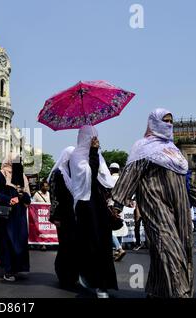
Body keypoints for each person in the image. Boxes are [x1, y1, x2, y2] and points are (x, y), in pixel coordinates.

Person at [112, 108, 193, 298]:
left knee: (179, 245)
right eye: (165, 121)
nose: (169, 125)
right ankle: (180, 292)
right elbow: (130, 174)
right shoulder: (143, 146)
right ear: (154, 122)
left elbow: (183, 180)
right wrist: (117, 204)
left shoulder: (173, 150)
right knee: (168, 245)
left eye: (171, 121)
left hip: (179, 205)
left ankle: (158, 289)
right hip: (154, 202)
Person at [69, 125, 118, 298]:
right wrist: (93, 153)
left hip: (99, 205)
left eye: (96, 136)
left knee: (104, 244)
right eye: (92, 136)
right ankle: (92, 281)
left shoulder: (99, 155)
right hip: (85, 205)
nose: (95, 139)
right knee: (91, 244)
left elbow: (106, 180)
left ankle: (103, 284)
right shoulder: (76, 156)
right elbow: (89, 174)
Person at [0, 156, 31, 282]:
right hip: (7, 215)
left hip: (20, 215)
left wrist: (21, 197)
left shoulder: (23, 177)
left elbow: (28, 198)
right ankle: (8, 271)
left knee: (20, 240)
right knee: (7, 241)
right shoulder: (2, 175)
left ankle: (17, 267)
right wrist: (8, 199)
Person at [48, 146, 79, 289]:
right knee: (65, 246)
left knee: (73, 246)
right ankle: (63, 275)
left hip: (73, 216)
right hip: (62, 216)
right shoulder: (57, 174)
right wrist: (56, 217)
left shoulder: (73, 173)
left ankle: (73, 275)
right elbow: (54, 196)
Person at [109, 162, 126, 262]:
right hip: (121, 205)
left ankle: (119, 248)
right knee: (118, 226)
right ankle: (117, 250)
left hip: (112, 205)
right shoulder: (122, 179)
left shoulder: (109, 179)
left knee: (108, 229)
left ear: (110, 170)